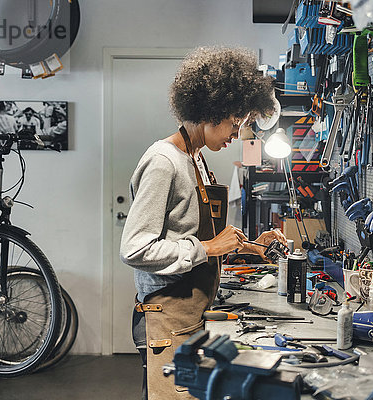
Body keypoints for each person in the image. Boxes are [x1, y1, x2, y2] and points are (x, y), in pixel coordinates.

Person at [120, 47, 287, 400]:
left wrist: (253, 245)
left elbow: (190, 233)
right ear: (210, 112)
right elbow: (135, 247)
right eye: (234, 124)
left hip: (192, 314)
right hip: (165, 316)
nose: (236, 135)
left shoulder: (194, 158)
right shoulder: (164, 161)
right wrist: (210, 247)